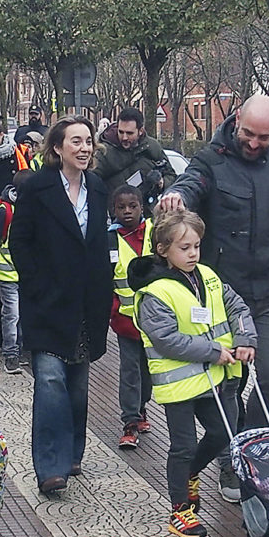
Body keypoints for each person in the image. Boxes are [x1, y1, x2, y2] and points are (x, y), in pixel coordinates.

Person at [159, 93, 269, 503]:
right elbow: (191, 184)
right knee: (230, 382)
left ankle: (248, 448)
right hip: (224, 295)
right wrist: (178, 197)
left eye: (263, 137)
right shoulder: (212, 159)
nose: (254, 143)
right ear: (236, 119)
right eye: (248, 133)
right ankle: (232, 459)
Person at [130, 209, 255, 537]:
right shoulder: (155, 292)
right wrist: (215, 352)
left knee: (223, 433)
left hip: (216, 378)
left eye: (196, 246)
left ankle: (190, 475)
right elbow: (167, 339)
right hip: (181, 383)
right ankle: (180, 509)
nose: (193, 254)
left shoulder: (208, 276)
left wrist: (245, 340)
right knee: (182, 446)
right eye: (184, 248)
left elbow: (237, 308)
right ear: (163, 249)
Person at [8, 115, 113, 494]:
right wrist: (36, 283)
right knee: (50, 381)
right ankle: (50, 466)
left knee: (77, 385)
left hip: (87, 303)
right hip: (47, 302)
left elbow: (101, 244)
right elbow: (19, 241)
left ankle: (73, 453)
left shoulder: (98, 188)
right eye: (76, 142)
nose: (84, 148)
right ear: (57, 148)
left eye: (89, 142)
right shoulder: (37, 187)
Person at [108, 185, 154, 449]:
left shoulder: (154, 234)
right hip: (125, 322)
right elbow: (106, 280)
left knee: (147, 372)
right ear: (113, 210)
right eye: (121, 207)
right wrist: (112, 311)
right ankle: (130, 421)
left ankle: (142, 407)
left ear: (141, 207)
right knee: (129, 372)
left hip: (153, 323)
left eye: (132, 206)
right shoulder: (110, 240)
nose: (127, 211)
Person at [0, 169, 34, 374]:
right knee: (12, 314)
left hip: (25, 274)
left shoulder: (28, 209)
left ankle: (18, 352)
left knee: (20, 314)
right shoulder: (5, 211)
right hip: (7, 273)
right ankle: (11, 354)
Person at [94, 107, 176, 215]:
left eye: (129, 133)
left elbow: (171, 176)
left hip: (148, 214)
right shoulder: (104, 152)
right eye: (121, 132)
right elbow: (91, 183)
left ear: (140, 131)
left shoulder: (152, 147)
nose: (124, 137)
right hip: (117, 218)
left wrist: (161, 182)